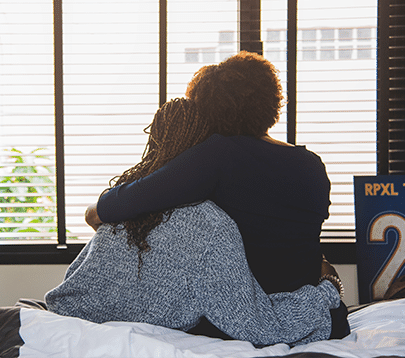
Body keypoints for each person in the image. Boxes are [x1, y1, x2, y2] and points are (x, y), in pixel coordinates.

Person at [84, 51, 350, 339]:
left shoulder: (218, 154)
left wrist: (95, 211)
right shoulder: (311, 164)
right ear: (272, 101)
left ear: (206, 108)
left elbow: (110, 209)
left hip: (232, 314)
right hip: (303, 299)